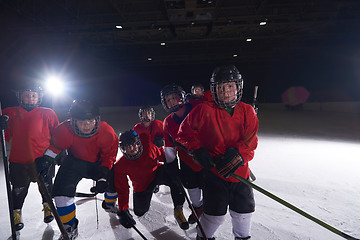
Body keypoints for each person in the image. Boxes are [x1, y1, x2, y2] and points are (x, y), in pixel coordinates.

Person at [176, 64, 259, 240]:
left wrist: (238, 157)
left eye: (230, 86)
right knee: (214, 216)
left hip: (240, 175)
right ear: (214, 90)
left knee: (243, 213)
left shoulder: (248, 111)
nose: (226, 92)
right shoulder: (203, 110)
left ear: (238, 87)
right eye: (221, 87)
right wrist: (197, 149)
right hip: (215, 175)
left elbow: (250, 143)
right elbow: (184, 134)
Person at [36, 99, 118, 239]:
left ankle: (109, 203)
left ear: (97, 120)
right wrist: (46, 160)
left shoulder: (107, 132)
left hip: (99, 163)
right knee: (61, 192)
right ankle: (69, 225)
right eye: (82, 122)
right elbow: (56, 146)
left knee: (115, 181)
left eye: (90, 121)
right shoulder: (64, 130)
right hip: (75, 162)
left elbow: (109, 156)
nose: (87, 126)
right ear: (73, 121)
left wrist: (103, 175)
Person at [0, 82, 59, 231]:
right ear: (20, 96)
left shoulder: (49, 113)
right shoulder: (9, 112)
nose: (30, 98)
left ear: (39, 97)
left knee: (46, 186)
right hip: (19, 160)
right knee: (19, 189)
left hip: (43, 159)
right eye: (26, 95)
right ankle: (16, 213)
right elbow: (4, 138)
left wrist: (58, 152)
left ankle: (48, 207)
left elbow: (57, 136)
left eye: (33, 95)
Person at [113, 129, 189, 230]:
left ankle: (178, 210)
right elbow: (122, 188)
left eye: (134, 144)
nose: (132, 148)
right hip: (142, 185)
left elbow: (162, 154)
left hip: (157, 174)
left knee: (175, 178)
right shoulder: (120, 165)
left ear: (138, 143)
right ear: (122, 149)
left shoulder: (149, 149)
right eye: (127, 146)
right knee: (139, 212)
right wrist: (123, 209)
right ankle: (152, 189)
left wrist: (171, 162)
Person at [160, 83, 204, 224]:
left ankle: (210, 213)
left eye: (175, 97)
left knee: (210, 187)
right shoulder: (168, 122)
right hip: (187, 161)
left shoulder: (197, 109)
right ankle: (198, 207)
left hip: (206, 158)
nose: (172, 101)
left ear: (182, 97)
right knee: (191, 186)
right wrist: (171, 164)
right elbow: (169, 145)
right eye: (168, 100)